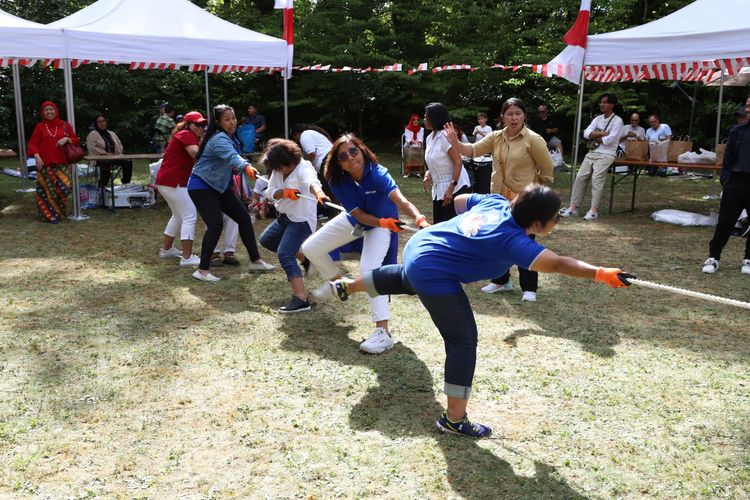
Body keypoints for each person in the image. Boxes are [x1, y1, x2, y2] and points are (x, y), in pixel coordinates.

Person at [315, 185, 633, 438]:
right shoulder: (514, 242)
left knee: (406, 278)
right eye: (555, 217)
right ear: (538, 223)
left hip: (423, 245)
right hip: (433, 267)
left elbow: (460, 201)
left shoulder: (496, 203)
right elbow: (560, 263)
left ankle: (347, 286)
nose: (557, 221)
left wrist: (465, 234)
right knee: (463, 341)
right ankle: (454, 420)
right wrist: (601, 273)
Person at [303, 133, 430, 353]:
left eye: (354, 151)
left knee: (369, 268)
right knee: (310, 248)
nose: (351, 157)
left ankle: (383, 332)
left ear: (362, 150)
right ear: (339, 164)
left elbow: (401, 201)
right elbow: (359, 216)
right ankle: (339, 282)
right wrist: (381, 220)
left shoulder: (378, 174)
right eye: (343, 156)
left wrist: (419, 219)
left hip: (382, 227)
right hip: (362, 220)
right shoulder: (337, 181)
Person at [444, 97, 554, 302]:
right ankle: (501, 280)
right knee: (495, 239)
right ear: (503, 116)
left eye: (518, 113)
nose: (514, 118)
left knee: (523, 242)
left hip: (523, 201)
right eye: (510, 114)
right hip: (498, 199)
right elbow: (473, 150)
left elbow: (547, 170)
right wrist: (455, 143)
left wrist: (534, 194)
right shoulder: (496, 137)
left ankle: (529, 287)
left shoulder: (533, 139)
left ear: (524, 116)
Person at [187, 104, 275, 282]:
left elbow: (230, 163)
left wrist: (239, 169)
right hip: (202, 187)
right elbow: (232, 157)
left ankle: (256, 261)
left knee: (243, 217)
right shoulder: (220, 138)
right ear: (218, 122)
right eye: (226, 119)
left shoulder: (230, 138)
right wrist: (246, 166)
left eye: (233, 118)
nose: (231, 122)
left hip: (220, 187)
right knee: (216, 224)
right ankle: (202, 270)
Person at [259, 139, 330, 313]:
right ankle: (307, 260)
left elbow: (312, 183)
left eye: (283, 167)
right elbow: (269, 191)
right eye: (277, 168)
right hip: (285, 217)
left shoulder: (303, 168)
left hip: (301, 221)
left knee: (285, 254)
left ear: (291, 160)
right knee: (267, 240)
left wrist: (319, 194)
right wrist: (284, 193)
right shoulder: (278, 169)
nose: (280, 171)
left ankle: (301, 299)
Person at [701, 96, 750, 276]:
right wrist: (726, 179)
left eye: (749, 106)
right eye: (746, 105)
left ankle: (748, 259)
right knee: (725, 222)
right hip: (735, 182)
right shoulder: (737, 130)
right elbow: (728, 156)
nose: (747, 109)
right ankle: (714, 257)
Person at [559, 93, 624, 221]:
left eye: (605, 102)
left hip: (607, 154)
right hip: (592, 152)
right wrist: (601, 133)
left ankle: (594, 211)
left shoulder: (618, 121)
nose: (602, 104)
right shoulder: (597, 118)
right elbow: (586, 133)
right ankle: (573, 208)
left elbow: (610, 140)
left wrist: (595, 136)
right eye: (601, 102)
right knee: (580, 178)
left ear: (612, 104)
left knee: (597, 180)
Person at [155, 111, 207, 267]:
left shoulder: (187, 135)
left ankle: (166, 249)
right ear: (188, 124)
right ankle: (187, 257)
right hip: (174, 181)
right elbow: (194, 152)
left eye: (203, 124)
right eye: (197, 124)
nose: (201, 127)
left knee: (178, 215)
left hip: (168, 181)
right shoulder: (186, 134)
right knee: (189, 215)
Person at [26, 101, 79, 223]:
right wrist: (37, 156)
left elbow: (75, 140)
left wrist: (67, 139)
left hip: (62, 163)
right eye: (46, 110)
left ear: (56, 111)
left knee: (63, 188)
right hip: (45, 164)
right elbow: (32, 144)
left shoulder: (64, 125)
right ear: (42, 113)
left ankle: (60, 212)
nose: (49, 112)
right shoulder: (40, 126)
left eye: (51, 109)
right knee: (46, 190)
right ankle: (49, 215)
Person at [422, 102, 471, 223]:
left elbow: (458, 162)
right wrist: (429, 173)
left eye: (426, 116)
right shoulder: (429, 138)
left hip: (455, 187)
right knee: (439, 225)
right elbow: (435, 159)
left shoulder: (446, 136)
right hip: (439, 189)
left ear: (434, 118)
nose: (424, 119)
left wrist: (451, 188)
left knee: (452, 228)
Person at [291, 124, 335, 219]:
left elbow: (312, 154)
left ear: (296, 134)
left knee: (330, 190)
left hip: (327, 161)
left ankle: (333, 216)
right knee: (327, 188)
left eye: (294, 138)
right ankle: (327, 213)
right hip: (330, 160)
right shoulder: (312, 134)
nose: (296, 141)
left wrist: (303, 165)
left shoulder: (304, 135)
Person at [85, 115, 132, 189]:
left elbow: (119, 145)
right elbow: (92, 148)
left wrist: (118, 153)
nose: (102, 123)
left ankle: (126, 183)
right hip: (99, 158)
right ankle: (102, 186)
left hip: (114, 157)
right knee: (106, 163)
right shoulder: (92, 134)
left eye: (103, 121)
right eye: (99, 122)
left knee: (127, 162)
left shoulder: (112, 133)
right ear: (96, 124)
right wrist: (106, 154)